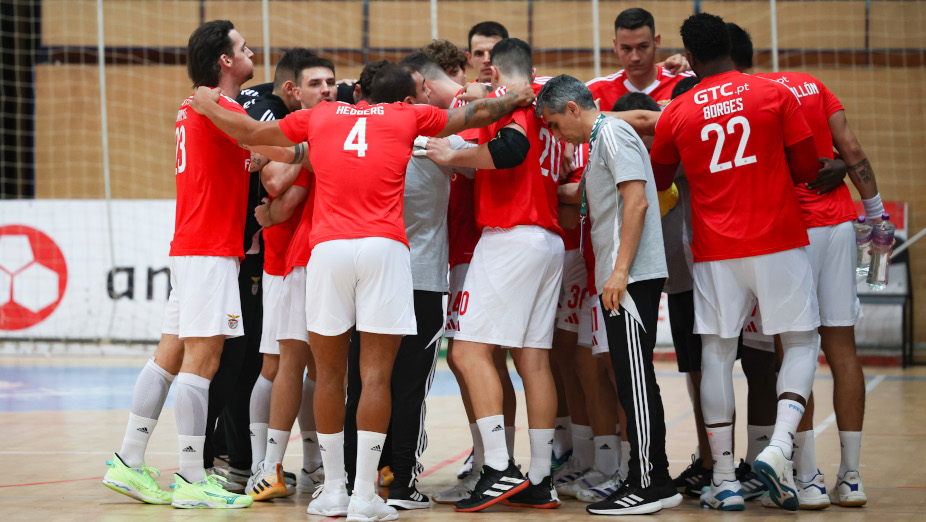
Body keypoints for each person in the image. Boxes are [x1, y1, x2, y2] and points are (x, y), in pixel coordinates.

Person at [189, 60, 536, 520]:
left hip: (328, 250)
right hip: (384, 250)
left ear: (360, 93)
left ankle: (335, 489)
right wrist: (516, 98)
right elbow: (473, 115)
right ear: (404, 96)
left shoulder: (321, 115)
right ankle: (366, 496)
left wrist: (208, 105)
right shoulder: (408, 115)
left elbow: (250, 133)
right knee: (376, 377)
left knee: (331, 376)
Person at [649, 12, 825, 512]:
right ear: (730, 46)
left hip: (714, 249)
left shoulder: (676, 111)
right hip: (777, 238)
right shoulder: (774, 93)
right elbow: (807, 168)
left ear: (691, 57)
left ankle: (724, 480)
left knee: (718, 354)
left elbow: (660, 181)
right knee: (800, 341)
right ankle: (779, 446)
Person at [102, 19, 257, 509]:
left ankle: (128, 460)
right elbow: (271, 140)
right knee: (202, 361)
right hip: (210, 250)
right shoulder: (221, 106)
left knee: (167, 355)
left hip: (191, 246)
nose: (251, 53)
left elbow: (239, 153)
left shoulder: (194, 108)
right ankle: (191, 478)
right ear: (225, 61)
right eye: (243, 48)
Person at [729, 21, 881, 509]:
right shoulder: (811, 84)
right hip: (838, 224)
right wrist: (875, 216)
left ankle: (810, 478)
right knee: (843, 349)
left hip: (790, 231)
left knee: (794, 348)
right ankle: (851, 476)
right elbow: (851, 151)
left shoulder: (745, 98)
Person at [426, 38, 564, 513]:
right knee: (533, 360)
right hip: (546, 237)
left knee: (466, 352)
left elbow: (511, 150)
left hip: (511, 235)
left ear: (499, 72)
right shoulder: (544, 104)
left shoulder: (512, 102)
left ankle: (498, 468)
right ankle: (541, 479)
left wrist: (452, 156)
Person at [536, 74, 681, 516]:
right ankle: (651, 478)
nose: (556, 134)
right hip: (620, 277)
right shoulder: (601, 139)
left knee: (634, 380)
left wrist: (619, 271)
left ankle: (649, 482)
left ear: (572, 109)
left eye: (555, 124)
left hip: (630, 277)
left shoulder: (613, 133)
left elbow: (637, 201)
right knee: (630, 376)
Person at [244, 53, 337, 501]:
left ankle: (313, 463)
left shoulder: (335, 125)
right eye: (315, 84)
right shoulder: (286, 127)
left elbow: (283, 198)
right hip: (286, 260)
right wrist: (307, 147)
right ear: (294, 92)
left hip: (321, 256)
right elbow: (277, 187)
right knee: (280, 364)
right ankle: (263, 464)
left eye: (330, 83)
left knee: (318, 366)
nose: (326, 90)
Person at [586, 8, 696, 112]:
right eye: (626, 48)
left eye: (642, 47)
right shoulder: (593, 93)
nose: (635, 58)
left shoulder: (690, 83)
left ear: (656, 42)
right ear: (616, 45)